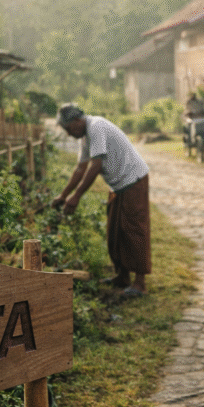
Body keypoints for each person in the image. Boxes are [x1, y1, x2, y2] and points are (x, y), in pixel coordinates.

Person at [51, 104, 151, 297]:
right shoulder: (86, 136)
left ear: (77, 121)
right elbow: (80, 168)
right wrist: (63, 196)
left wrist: (77, 196)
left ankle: (140, 284)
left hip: (133, 181)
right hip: (118, 186)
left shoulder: (96, 127)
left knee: (134, 231)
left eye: (69, 129)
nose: (70, 135)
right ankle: (122, 277)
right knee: (115, 231)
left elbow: (96, 166)